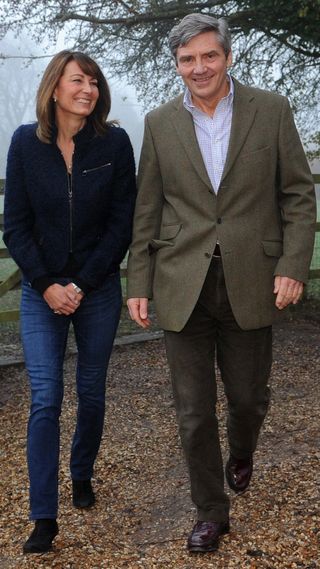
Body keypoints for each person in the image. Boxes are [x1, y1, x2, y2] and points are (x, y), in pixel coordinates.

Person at [126, 13, 316, 554]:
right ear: (177, 64)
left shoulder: (271, 109)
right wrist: (138, 280)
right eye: (188, 59)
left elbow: (299, 195)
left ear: (227, 57)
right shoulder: (160, 123)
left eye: (209, 56)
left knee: (249, 399)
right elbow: (148, 208)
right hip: (181, 282)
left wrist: (293, 265)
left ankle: (242, 449)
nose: (199, 67)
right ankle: (212, 511)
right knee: (191, 411)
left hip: (253, 279)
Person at [4, 50, 136, 554]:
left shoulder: (114, 143)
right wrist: (45, 283)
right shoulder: (24, 143)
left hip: (97, 288)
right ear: (54, 88)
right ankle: (43, 517)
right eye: (78, 80)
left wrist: (80, 283)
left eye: (94, 83)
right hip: (42, 292)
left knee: (92, 391)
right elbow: (14, 223)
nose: (89, 89)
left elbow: (121, 224)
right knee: (45, 397)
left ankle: (81, 472)